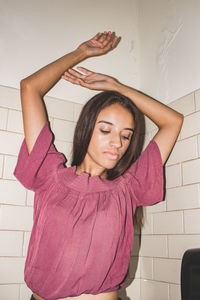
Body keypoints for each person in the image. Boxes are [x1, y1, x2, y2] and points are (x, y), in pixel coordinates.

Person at [14, 31, 183, 300]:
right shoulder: (49, 173)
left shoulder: (128, 187)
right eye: (106, 130)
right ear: (86, 129)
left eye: (126, 135)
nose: (117, 142)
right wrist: (81, 53)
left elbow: (173, 121)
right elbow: (30, 87)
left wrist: (117, 87)